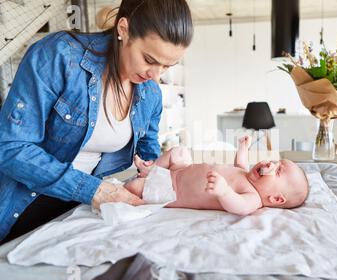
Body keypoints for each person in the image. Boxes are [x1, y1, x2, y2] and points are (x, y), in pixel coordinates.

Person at [0, 0, 194, 243]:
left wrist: (168, 171)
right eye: (149, 59)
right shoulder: (59, 56)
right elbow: (10, 148)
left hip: (81, 207)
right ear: (123, 29)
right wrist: (95, 190)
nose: (155, 76)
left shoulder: (150, 94)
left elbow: (148, 153)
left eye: (167, 66)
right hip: (23, 202)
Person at [124, 136, 309, 216]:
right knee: (179, 152)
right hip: (182, 169)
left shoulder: (253, 198)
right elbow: (240, 166)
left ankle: (136, 183)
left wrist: (224, 192)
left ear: (276, 198)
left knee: (134, 188)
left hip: (172, 189)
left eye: (277, 171)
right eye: (276, 162)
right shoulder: (247, 176)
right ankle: (151, 170)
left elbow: (239, 207)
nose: (271, 163)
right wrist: (243, 149)